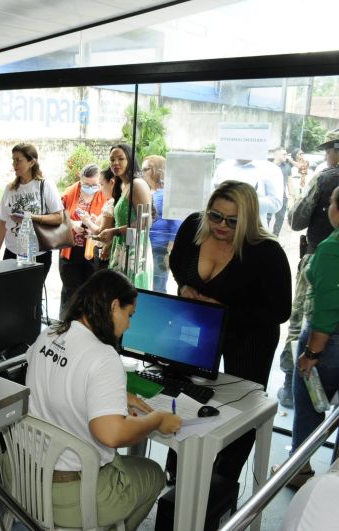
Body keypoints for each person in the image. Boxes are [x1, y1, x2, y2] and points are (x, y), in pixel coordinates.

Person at [25, 269, 181, 530]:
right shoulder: (103, 356)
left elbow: (57, 381)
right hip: (71, 496)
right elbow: (111, 434)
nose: (129, 325)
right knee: (153, 473)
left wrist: (116, 394)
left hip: (27, 478)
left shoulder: (50, 334)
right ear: (113, 306)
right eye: (129, 315)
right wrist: (157, 420)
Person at [169, 180, 291, 484]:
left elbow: (279, 311)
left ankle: (224, 480)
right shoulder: (193, 227)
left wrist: (225, 310)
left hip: (250, 335)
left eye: (232, 221)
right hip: (198, 326)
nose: (221, 225)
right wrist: (184, 286)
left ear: (247, 219)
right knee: (183, 393)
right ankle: (178, 466)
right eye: (215, 216)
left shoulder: (266, 252)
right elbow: (175, 262)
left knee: (241, 407)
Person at [278, 130, 339, 408]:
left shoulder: (326, 179)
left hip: (319, 260)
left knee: (298, 323)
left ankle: (291, 385)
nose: (326, 156)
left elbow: (296, 219)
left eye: (328, 150)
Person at [285, 185, 339, 487]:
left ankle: (299, 470)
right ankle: (334, 483)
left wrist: (311, 354)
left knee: (308, 405)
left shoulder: (333, 248)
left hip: (328, 345)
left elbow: (328, 309)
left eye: (331, 202)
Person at [0, 143, 63, 280]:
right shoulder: (10, 188)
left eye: (18, 160)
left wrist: (31, 217)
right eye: (13, 160)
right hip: (12, 253)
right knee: (9, 296)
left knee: (31, 299)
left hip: (38, 254)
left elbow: (59, 217)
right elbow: (2, 222)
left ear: (32, 162)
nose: (14, 164)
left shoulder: (45, 185)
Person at [97, 144, 153, 288]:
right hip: (123, 248)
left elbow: (146, 223)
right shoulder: (123, 185)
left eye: (120, 159)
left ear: (130, 160)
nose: (115, 163)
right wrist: (110, 243)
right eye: (112, 160)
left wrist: (114, 232)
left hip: (135, 252)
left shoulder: (137, 185)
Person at [58, 163, 107, 314]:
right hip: (70, 251)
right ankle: (65, 325)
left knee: (91, 292)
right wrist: (73, 224)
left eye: (94, 184)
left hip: (93, 251)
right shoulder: (71, 192)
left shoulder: (104, 193)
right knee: (70, 292)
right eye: (86, 184)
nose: (90, 187)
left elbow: (108, 219)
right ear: (80, 180)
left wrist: (92, 222)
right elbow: (58, 215)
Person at [142, 155, 181, 293]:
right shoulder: (148, 191)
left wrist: (170, 249)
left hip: (161, 246)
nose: (142, 173)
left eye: (145, 169)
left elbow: (177, 221)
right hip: (146, 244)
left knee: (158, 286)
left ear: (156, 170)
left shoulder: (168, 193)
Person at [212, 157, 283, 230]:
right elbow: (212, 197)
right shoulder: (223, 167)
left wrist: (245, 200)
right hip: (221, 228)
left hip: (252, 230)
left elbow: (275, 204)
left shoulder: (270, 169)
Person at [270, 147, 293, 236]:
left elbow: (290, 181)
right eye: (284, 154)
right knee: (267, 217)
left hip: (282, 196)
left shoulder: (287, 167)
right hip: (270, 196)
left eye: (286, 154)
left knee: (280, 218)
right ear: (276, 155)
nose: (286, 156)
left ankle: (275, 236)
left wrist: (291, 195)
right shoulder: (268, 166)